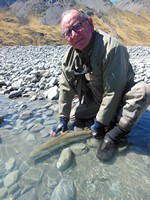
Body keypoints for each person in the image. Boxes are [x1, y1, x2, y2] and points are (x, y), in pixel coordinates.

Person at [50, 8, 150, 162]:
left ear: (90, 23)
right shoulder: (69, 58)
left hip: (121, 98)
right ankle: (105, 120)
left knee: (143, 91)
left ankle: (115, 133)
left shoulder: (112, 48)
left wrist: (99, 124)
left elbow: (113, 92)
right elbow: (65, 88)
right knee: (72, 118)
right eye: (68, 32)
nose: (74, 35)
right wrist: (62, 119)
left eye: (77, 26)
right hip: (98, 100)